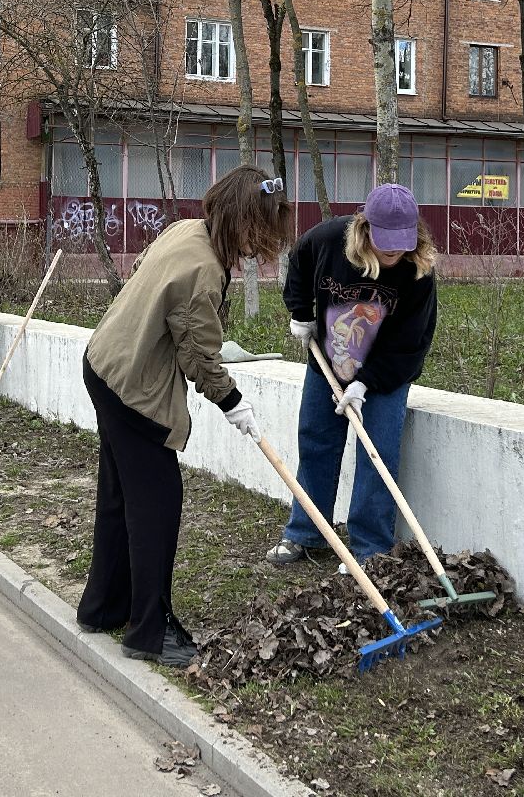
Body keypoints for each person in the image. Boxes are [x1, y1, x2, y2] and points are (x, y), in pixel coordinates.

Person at [76, 165, 293, 668]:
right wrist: (234, 402)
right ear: (246, 223)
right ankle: (148, 632)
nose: (262, 247)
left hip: (103, 363)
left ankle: (103, 606)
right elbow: (199, 358)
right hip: (132, 389)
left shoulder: (186, 230)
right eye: (263, 232)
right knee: (157, 504)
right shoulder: (205, 271)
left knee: (119, 496)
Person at [267, 182, 438, 567]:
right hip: (329, 360)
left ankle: (369, 548)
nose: (394, 250)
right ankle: (308, 533)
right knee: (316, 441)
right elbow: (299, 260)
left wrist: (366, 383)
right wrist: (300, 312)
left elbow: (412, 344)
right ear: (364, 228)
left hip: (385, 374)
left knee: (377, 453)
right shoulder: (329, 238)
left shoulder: (418, 274)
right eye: (385, 241)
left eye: (402, 241)